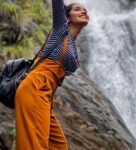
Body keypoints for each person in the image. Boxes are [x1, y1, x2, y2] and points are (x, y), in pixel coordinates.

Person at [15, 0, 89, 150]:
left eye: (85, 10)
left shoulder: (74, 50)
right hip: (35, 86)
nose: (83, 11)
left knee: (58, 145)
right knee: (35, 145)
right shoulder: (60, 29)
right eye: (77, 9)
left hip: (46, 95)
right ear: (67, 17)